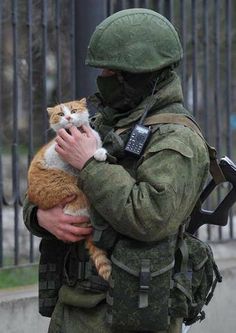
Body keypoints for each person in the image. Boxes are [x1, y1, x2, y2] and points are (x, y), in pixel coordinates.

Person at [23, 8, 209, 333]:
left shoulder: (176, 139)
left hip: (130, 315)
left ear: (137, 75)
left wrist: (88, 165)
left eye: (110, 70)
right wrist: (40, 216)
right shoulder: (106, 122)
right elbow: (44, 177)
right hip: (75, 306)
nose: (102, 78)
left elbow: (150, 217)